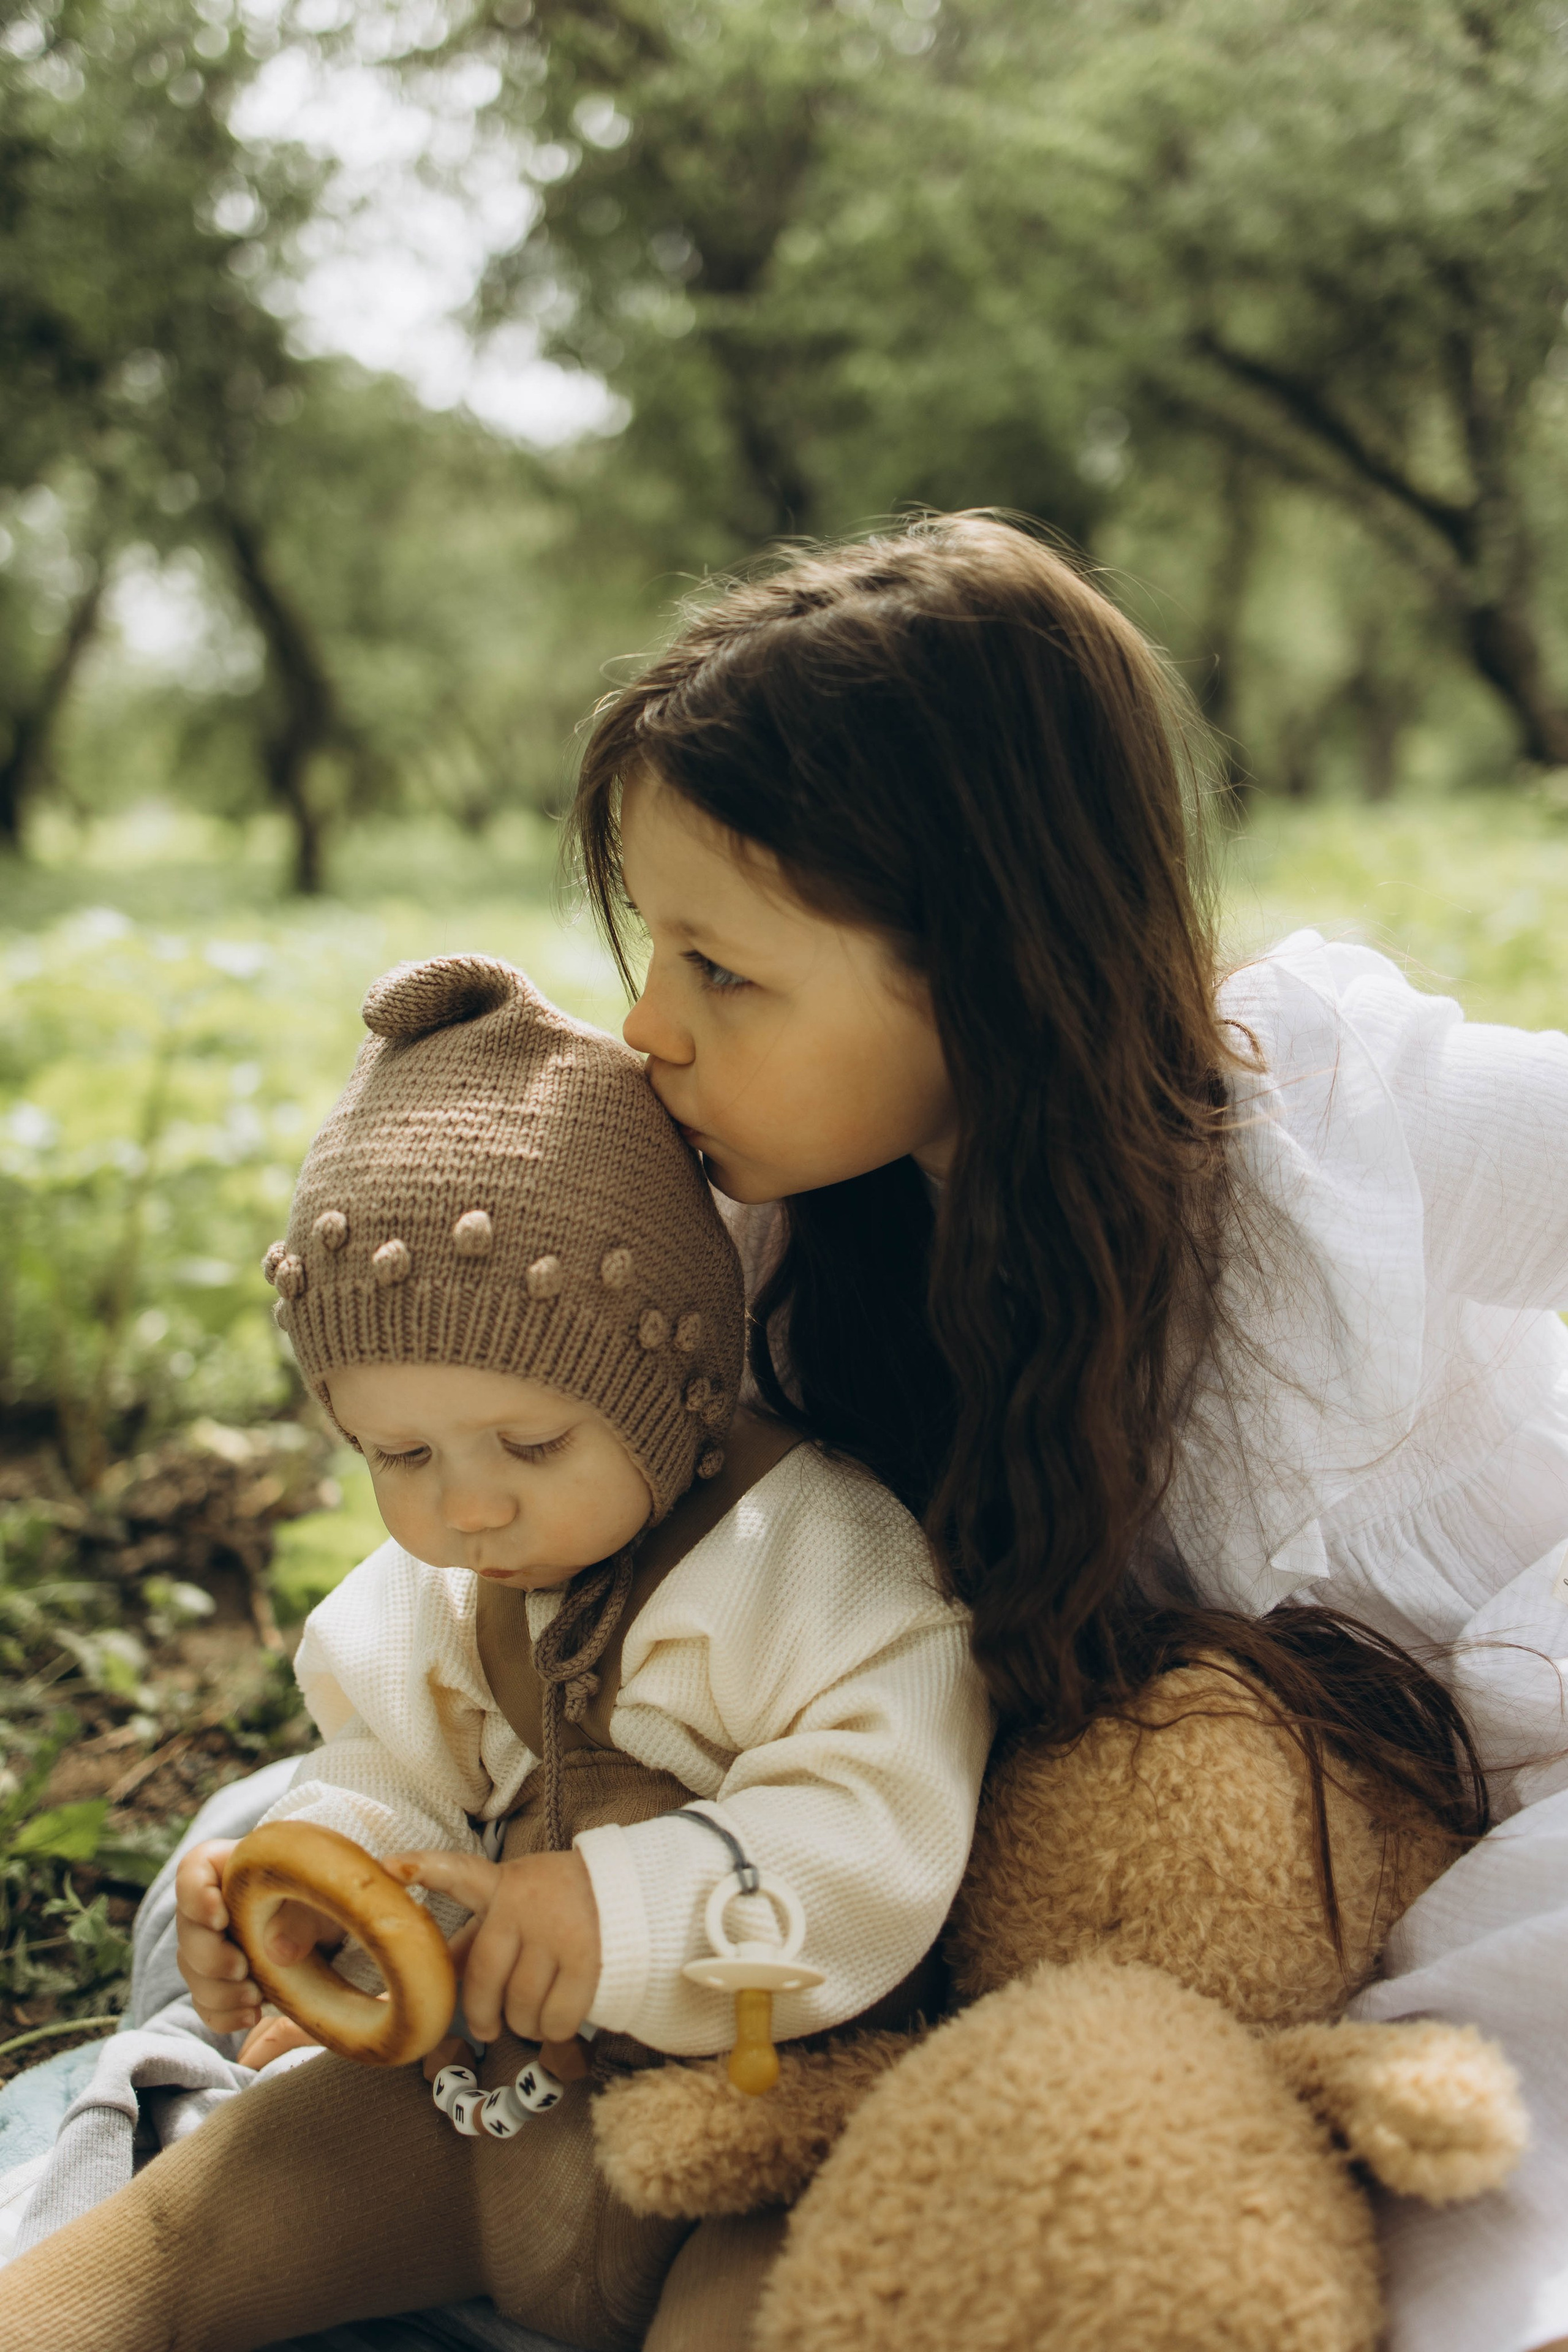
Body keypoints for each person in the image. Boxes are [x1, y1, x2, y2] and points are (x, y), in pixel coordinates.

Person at [560, 511, 1568, 2352]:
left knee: (1491, 2098)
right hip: (1098, 1854)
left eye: (725, 971)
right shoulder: (784, 1226)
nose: (649, 1029)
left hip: (1476, 1773)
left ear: (983, 953)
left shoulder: (1336, 1140)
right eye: (654, 950)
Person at [0, 950, 988, 2352]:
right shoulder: (438, 1590)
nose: (466, 1505)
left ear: (671, 1389)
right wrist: (324, 1882)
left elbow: (882, 1833)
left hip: (744, 2125)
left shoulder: (810, 1558)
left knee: (789, 2303)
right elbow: (390, 1768)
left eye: (532, 1446)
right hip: (477, 2107)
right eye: (396, 1454)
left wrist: (617, 1914)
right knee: (191, 2222)